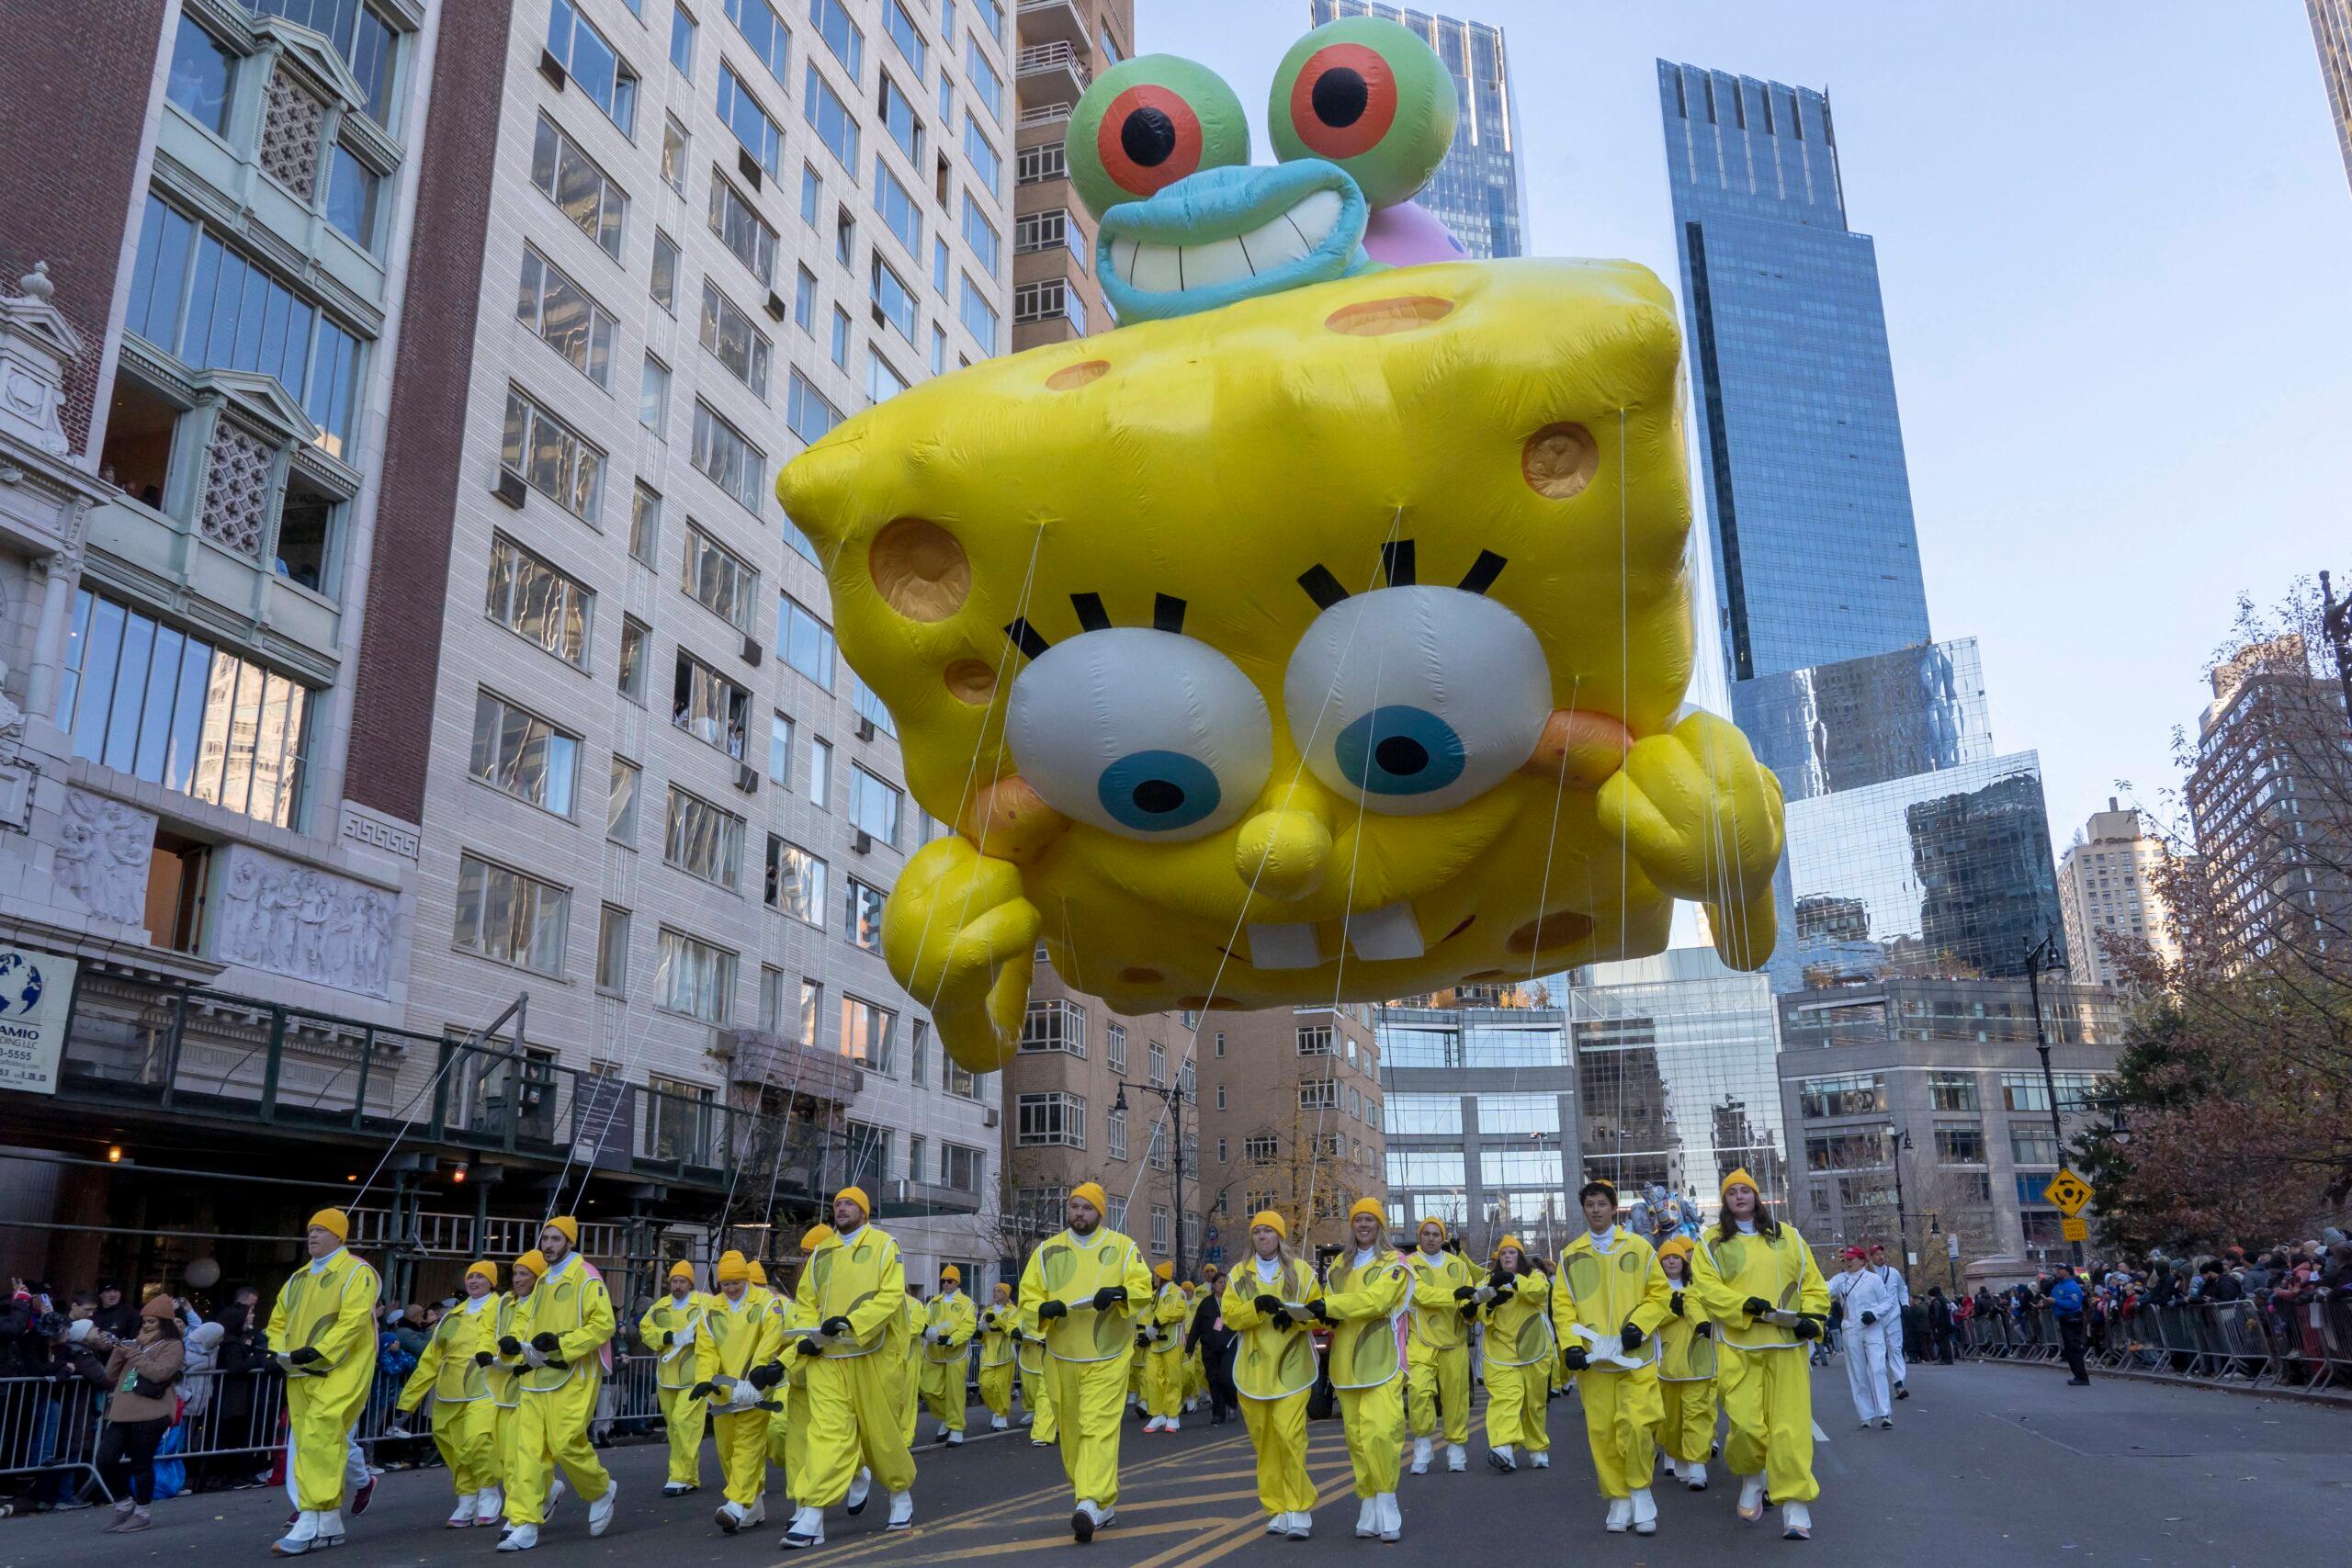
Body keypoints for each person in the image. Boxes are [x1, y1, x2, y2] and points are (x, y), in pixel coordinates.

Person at [1689, 1169, 1827, 1542]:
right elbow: (1704, 1287)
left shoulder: (1789, 1237)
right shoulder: (1712, 1242)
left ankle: (1796, 1508)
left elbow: (1812, 1284)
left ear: (1756, 1197)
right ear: (1724, 1201)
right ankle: (1753, 1477)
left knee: (1790, 1428)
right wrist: (1742, 1305)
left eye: (1744, 1191)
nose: (1739, 1197)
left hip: (1787, 1346)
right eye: (1731, 1192)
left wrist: (1812, 1319)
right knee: (1746, 1427)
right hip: (1738, 1344)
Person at [780, 1187, 917, 1549]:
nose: (841, 1209)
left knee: (881, 1437)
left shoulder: (886, 1246)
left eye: (849, 1204)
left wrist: (850, 1323)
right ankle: (813, 1515)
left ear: (864, 1212)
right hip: (829, 1360)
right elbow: (806, 1301)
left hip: (873, 1356)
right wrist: (808, 1337)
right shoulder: (821, 1252)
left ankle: (900, 1493)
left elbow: (890, 1296)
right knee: (826, 1436)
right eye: (838, 1204)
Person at [1019, 1180, 1154, 1543]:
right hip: (1063, 1356)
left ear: (1100, 1212)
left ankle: (1090, 1501)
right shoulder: (1047, 1251)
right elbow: (1028, 1300)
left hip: (1108, 1355)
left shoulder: (1123, 1248)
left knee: (1098, 1426)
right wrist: (1041, 1310)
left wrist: (1122, 1293)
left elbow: (1143, 1289)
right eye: (1075, 1206)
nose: (1079, 1213)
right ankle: (1099, 1504)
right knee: (1073, 1435)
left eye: (1087, 1208)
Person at [1552, 1179, 1671, 1536]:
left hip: (1635, 1357)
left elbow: (1660, 1294)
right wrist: (1570, 1345)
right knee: (1602, 1432)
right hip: (1595, 1364)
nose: (1596, 1210)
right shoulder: (1570, 1255)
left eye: (1602, 1203)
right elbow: (1562, 1306)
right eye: (1590, 1204)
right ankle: (1618, 1498)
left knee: (1636, 1426)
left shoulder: (1639, 1247)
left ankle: (1640, 1491)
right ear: (1584, 1209)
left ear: (1613, 1207)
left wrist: (1639, 1325)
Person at [497, 1216, 618, 1552]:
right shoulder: (543, 1282)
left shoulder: (586, 1275)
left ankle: (601, 1489)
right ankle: (524, 1522)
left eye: (554, 1238)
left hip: (574, 1375)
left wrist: (563, 1344)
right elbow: (524, 1318)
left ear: (569, 1241)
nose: (547, 1245)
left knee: (566, 1444)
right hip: (537, 1377)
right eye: (544, 1239)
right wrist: (511, 1342)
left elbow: (603, 1324)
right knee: (528, 1453)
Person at [266, 1208, 380, 1557]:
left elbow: (354, 1321)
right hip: (300, 1372)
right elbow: (278, 1320)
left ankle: (313, 1513)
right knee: (306, 1439)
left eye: (321, 1230)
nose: (312, 1235)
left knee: (321, 1433)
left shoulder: (357, 1272)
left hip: (342, 1369)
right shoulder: (298, 1277)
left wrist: (318, 1352)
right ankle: (326, 1520)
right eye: (310, 1230)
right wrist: (278, 1353)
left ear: (339, 1236)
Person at [1311, 1197, 1411, 1541]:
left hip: (1382, 1359)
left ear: (1380, 1226)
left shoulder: (1395, 1262)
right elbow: (1330, 1308)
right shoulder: (1339, 1265)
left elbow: (1377, 1301)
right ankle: (1367, 1500)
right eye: (1358, 1220)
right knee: (1356, 1439)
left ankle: (1387, 1499)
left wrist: (1330, 1304)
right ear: (1352, 1226)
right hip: (1346, 1364)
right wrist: (1309, 1311)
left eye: (1370, 1220)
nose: (1364, 1225)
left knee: (1382, 1433)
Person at [1221, 1212, 1320, 1540]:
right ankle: (1276, 1508)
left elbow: (1318, 1312)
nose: (1262, 1236)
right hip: (1253, 1369)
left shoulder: (1301, 1271)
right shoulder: (1239, 1274)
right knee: (1264, 1439)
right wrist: (1255, 1308)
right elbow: (1230, 1316)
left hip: (1292, 1365)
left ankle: (1299, 1507)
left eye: (1269, 1231)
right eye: (1258, 1231)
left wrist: (1295, 1319)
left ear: (1280, 1236)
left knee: (1290, 1434)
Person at [390, 1259, 502, 1528]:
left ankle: (488, 1493)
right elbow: (431, 1359)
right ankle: (466, 1497)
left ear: (491, 1282)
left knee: (477, 1440)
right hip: (449, 1391)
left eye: (480, 1277)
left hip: (485, 1387)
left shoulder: (503, 1309)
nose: (473, 1281)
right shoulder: (451, 1316)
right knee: (451, 1445)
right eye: (470, 1276)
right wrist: (408, 1401)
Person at [695, 1251, 782, 1534]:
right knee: (727, 1450)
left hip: (755, 1391)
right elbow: (706, 1349)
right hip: (723, 1395)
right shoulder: (710, 1309)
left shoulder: (767, 1303)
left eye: (736, 1282)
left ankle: (734, 1504)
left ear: (746, 1278)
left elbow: (770, 1339)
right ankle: (753, 1506)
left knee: (747, 1447)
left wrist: (756, 1374)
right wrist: (705, 1380)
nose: (731, 1288)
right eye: (725, 1284)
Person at [92, 1294, 184, 1534]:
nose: (146, 1325)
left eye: (152, 1322)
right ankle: (124, 1504)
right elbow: (110, 1377)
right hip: (122, 1412)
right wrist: (117, 1353)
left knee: (141, 1465)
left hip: (152, 1413)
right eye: (144, 1321)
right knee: (104, 1460)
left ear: (164, 1323)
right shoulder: (136, 1344)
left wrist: (133, 1355)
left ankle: (142, 1513)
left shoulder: (173, 1345)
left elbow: (159, 1373)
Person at [1399, 1216, 1478, 1475]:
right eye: (1426, 1233)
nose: (1431, 1238)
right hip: (1420, 1340)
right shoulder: (1410, 1264)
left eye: (1436, 1234)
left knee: (1456, 1399)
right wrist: (1455, 1296)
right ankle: (1423, 1444)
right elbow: (1418, 1294)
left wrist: (1470, 1310)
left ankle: (1456, 1447)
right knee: (1419, 1393)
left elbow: (1470, 1297)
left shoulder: (1458, 1265)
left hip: (1453, 1341)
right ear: (1420, 1237)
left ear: (1443, 1238)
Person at [1475, 1235, 1554, 1473]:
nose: (1508, 1256)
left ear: (1520, 1257)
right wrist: (1489, 1304)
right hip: (1501, 1353)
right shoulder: (1488, 1281)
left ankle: (1537, 1448)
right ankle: (1503, 1448)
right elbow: (1478, 1310)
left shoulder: (1534, 1276)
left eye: (1513, 1253)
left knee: (1534, 1404)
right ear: (1499, 1258)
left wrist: (1514, 1281)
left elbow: (1540, 1293)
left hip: (1534, 1350)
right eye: (1504, 1253)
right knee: (1505, 1399)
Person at [775, 1224, 832, 1517]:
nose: (808, 1261)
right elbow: (783, 1337)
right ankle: (802, 1501)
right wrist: (773, 1367)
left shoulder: (840, 1294)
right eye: (805, 1254)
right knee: (795, 1441)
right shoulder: (798, 1298)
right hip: (798, 1380)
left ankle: (858, 1473)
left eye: (814, 1255)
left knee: (829, 1443)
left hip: (832, 1381)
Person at [1652, 1237, 1717, 1491]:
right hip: (1665, 1364)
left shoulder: (1698, 1287)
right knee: (1670, 1420)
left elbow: (1710, 1312)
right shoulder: (1654, 1291)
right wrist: (1670, 1312)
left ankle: (1697, 1466)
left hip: (1697, 1360)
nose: (1671, 1261)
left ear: (1684, 1261)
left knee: (1696, 1414)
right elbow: (1648, 1319)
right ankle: (1677, 1454)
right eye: (1666, 1257)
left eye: (1676, 1257)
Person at [639, 1260, 708, 1497]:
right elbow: (646, 1330)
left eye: (682, 1281)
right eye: (674, 1281)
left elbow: (722, 1323)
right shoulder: (660, 1306)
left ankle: (678, 1476)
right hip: (667, 1375)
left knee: (684, 1422)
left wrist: (700, 1336)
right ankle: (691, 1476)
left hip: (695, 1375)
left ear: (691, 1283)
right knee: (675, 1428)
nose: (677, 1286)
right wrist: (668, 1336)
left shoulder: (705, 1303)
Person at [486, 1253, 541, 1527]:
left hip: (532, 1387)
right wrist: (486, 1352)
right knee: (504, 1453)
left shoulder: (543, 1302)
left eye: (525, 1274)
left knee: (521, 1454)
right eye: (516, 1274)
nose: (518, 1280)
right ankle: (544, 1489)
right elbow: (490, 1330)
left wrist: (523, 1359)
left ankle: (517, 1514)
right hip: (502, 1387)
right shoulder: (505, 1301)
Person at [1826, 1248, 1895, 1429]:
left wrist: (1875, 1313)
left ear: (1862, 1261)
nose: (1848, 1262)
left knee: (1878, 1368)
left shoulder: (1874, 1280)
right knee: (1857, 1372)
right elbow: (1824, 1288)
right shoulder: (1840, 1279)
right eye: (1847, 1259)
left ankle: (1884, 1412)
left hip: (1872, 1327)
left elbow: (1887, 1302)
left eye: (1852, 1259)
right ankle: (1866, 1415)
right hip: (1851, 1328)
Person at [921, 1266, 978, 1445]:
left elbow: (969, 1326)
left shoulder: (966, 1303)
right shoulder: (933, 1302)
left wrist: (952, 1340)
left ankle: (956, 1428)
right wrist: (924, 1330)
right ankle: (947, 1417)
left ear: (957, 1282)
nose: (945, 1284)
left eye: (949, 1281)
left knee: (955, 1392)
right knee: (928, 1388)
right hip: (934, 1353)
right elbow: (923, 1320)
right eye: (943, 1281)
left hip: (956, 1353)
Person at [1138, 1261, 1188, 1433]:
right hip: (1155, 1342)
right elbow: (1146, 1315)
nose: (1154, 1279)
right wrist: (1143, 1333)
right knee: (1152, 1378)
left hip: (1172, 1342)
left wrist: (1161, 1318)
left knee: (1172, 1378)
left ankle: (1173, 1416)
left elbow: (1180, 1311)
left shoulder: (1178, 1292)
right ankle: (1157, 1415)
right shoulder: (1154, 1295)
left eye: (1156, 1276)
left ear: (1163, 1276)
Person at [1188, 1267, 1238, 1427]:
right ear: (1214, 1285)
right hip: (1209, 1348)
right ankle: (1218, 1413)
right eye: (1220, 1282)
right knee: (1214, 1381)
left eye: (1225, 1283)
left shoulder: (1233, 1302)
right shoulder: (1206, 1304)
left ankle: (1232, 1402)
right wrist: (1190, 1346)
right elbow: (1196, 1326)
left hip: (1229, 1346)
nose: (1223, 1285)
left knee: (1227, 1378)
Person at [1016, 1276, 1057, 1447]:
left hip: (1052, 1354)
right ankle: (1052, 1420)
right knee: (1033, 1391)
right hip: (1030, 1356)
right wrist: (1016, 1332)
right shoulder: (1029, 1304)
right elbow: (1019, 1320)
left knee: (1045, 1394)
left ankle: (1042, 1433)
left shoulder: (1060, 1297)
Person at [1867, 1244, 1910, 1399]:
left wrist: (1904, 1304)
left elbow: (1902, 1289)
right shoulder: (1867, 1275)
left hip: (1893, 1317)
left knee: (1895, 1349)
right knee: (1877, 1352)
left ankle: (1899, 1384)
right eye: (1876, 1254)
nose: (1880, 1257)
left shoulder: (1893, 1273)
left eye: (1882, 1254)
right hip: (1875, 1319)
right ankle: (1878, 1385)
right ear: (1871, 1257)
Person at [976, 1282, 1018, 1431]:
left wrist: (997, 1320)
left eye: (999, 1291)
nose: (995, 1294)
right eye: (994, 1291)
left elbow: (1011, 1329)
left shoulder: (1012, 1310)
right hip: (988, 1354)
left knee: (1001, 1386)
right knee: (985, 1386)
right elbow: (983, 1330)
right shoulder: (988, 1311)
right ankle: (997, 1409)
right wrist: (979, 1334)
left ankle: (1001, 1415)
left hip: (1004, 1352)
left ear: (1006, 1294)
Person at [2050, 1267, 2090, 1385]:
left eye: (2060, 1269)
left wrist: (2055, 1302)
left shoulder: (2072, 1286)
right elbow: (2054, 1297)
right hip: (2063, 1320)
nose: (2057, 1271)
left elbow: (2073, 1303)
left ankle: (2082, 1377)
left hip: (2072, 1319)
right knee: (2069, 1349)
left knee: (2074, 1348)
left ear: (2067, 1272)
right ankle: (2078, 1375)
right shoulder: (2058, 1286)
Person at [899, 1285, 926, 1447]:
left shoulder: (914, 1305)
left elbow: (916, 1327)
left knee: (907, 1398)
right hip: (887, 1360)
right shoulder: (879, 1302)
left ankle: (906, 1438)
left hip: (909, 1358)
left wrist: (893, 1333)